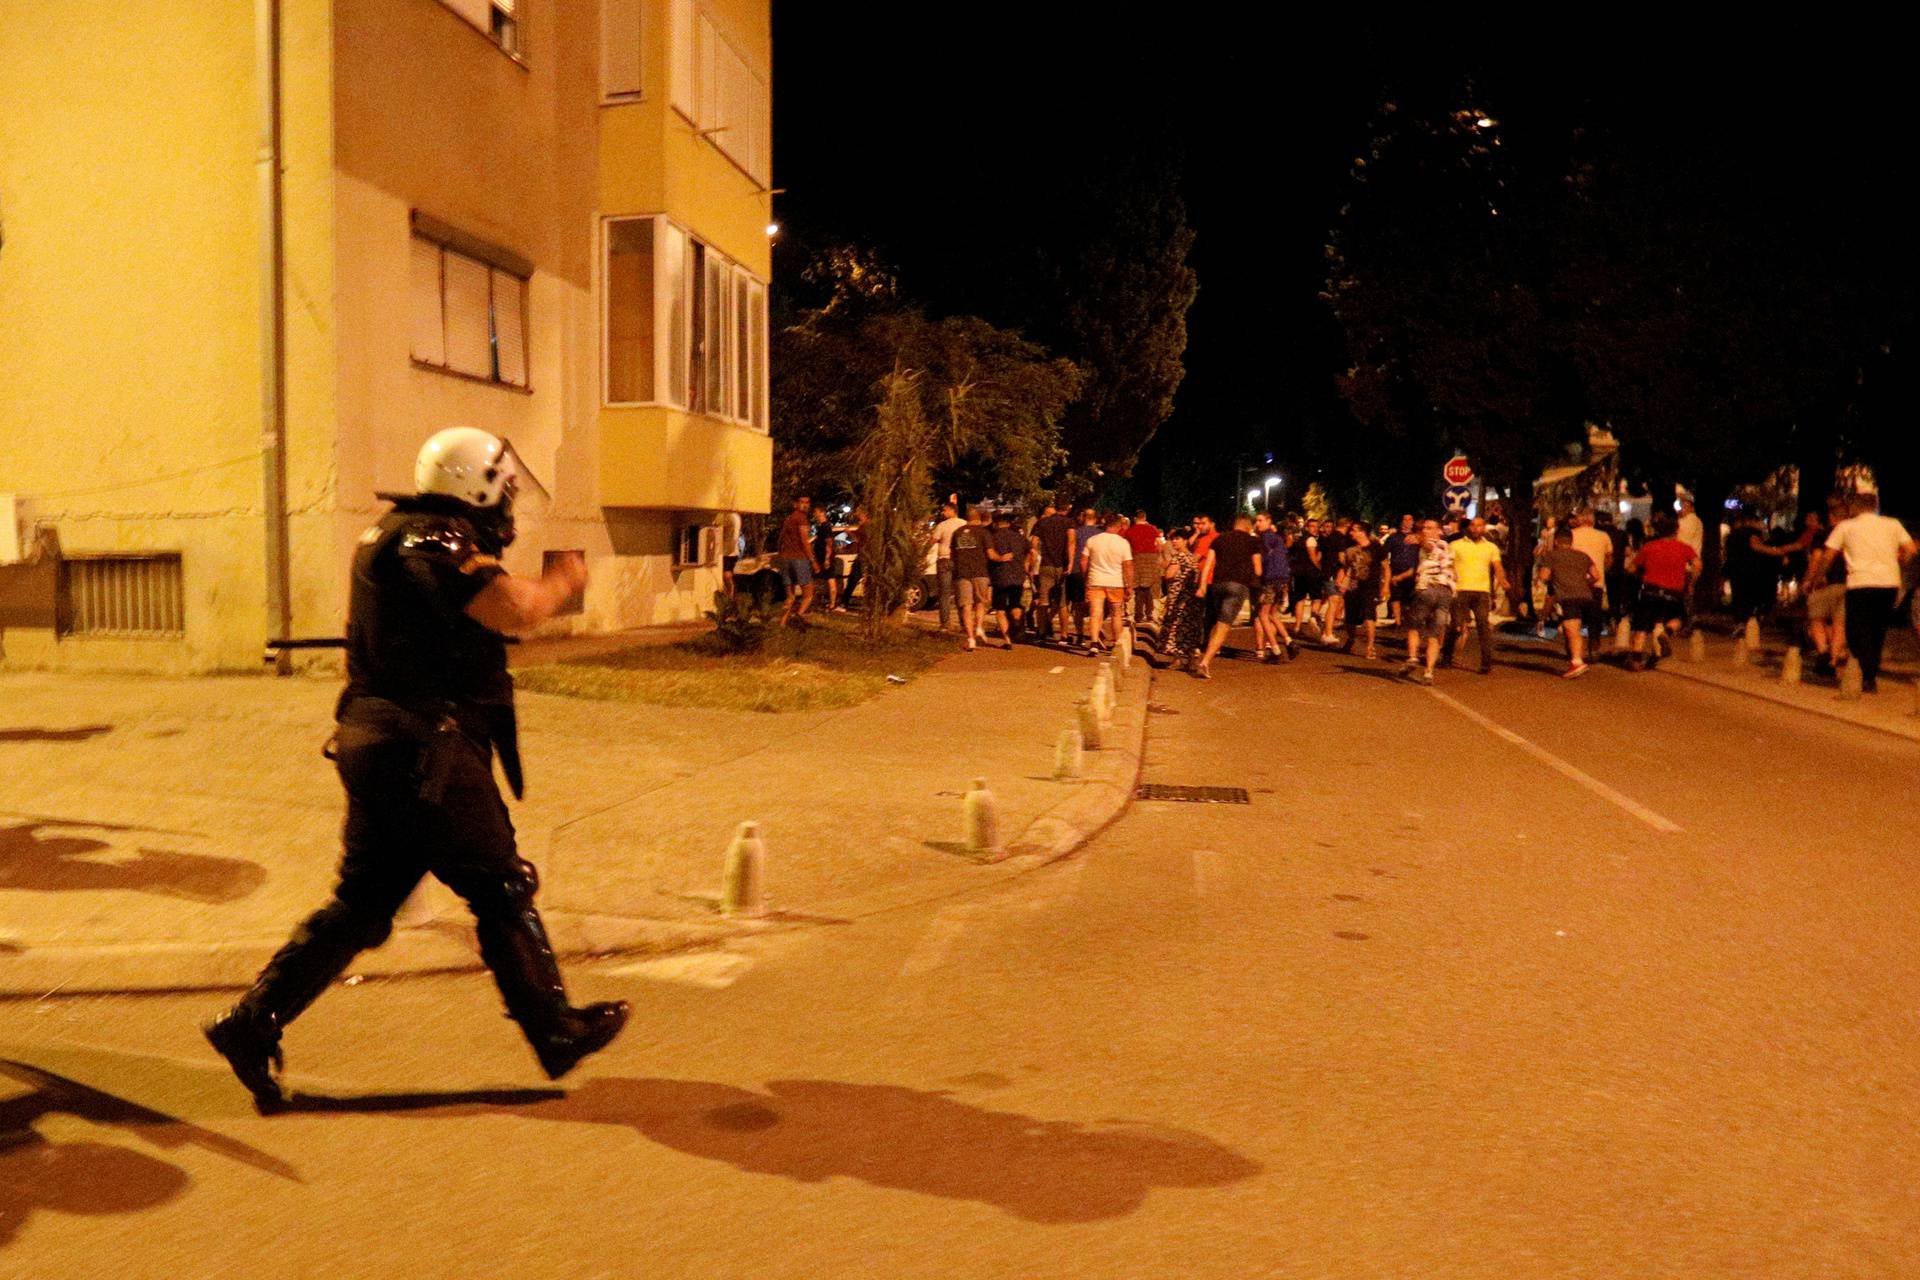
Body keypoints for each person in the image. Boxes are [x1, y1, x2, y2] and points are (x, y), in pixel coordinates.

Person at [202, 428, 627, 1110]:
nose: (509, 502)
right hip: (424, 750)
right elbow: (511, 609)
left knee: (363, 906)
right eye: (504, 488)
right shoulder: (433, 535)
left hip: (384, 744)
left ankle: (252, 1022)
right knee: (500, 886)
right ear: (476, 486)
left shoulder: (394, 532)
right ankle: (556, 1031)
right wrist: (561, 582)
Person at [1810, 490, 1916, 693]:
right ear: (1875, 506)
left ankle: (1861, 670)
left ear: (1854, 507)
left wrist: (1818, 577)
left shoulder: (1845, 526)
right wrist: (1902, 561)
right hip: (1888, 583)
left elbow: (1828, 556)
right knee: (1878, 630)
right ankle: (1870, 677)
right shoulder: (1892, 524)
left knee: (1857, 629)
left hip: (1860, 583)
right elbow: (1911, 549)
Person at [1626, 511, 1698, 670]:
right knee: (1680, 618)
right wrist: (1691, 581)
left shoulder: (1649, 547)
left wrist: (1641, 573)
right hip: (1673, 593)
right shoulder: (1685, 548)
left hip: (1650, 591)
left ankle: (1636, 661)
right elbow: (1698, 565)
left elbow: (1631, 568)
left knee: (1641, 627)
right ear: (1677, 530)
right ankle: (1667, 632)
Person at [1193, 513, 1262, 679]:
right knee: (1224, 625)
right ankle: (1205, 662)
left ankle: (1205, 650)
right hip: (1238, 586)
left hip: (1217, 585)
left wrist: (1202, 586)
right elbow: (1258, 569)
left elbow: (1208, 564)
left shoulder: (1220, 539)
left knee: (1218, 620)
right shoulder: (1253, 542)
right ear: (1248, 527)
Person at [1443, 517, 1507, 674]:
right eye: (1472, 525)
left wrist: (1502, 579)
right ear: (1468, 528)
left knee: (1483, 627)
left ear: (1484, 528)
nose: (1475, 528)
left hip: (1482, 592)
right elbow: (1448, 564)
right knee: (1456, 626)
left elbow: (1497, 565)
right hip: (1460, 590)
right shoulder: (1456, 545)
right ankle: (1446, 656)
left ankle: (1486, 663)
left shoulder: (1491, 547)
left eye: (1479, 526)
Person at [1537, 524, 1602, 678]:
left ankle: (1577, 662)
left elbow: (1544, 576)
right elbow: (1596, 575)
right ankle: (1578, 657)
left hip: (1568, 596)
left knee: (1572, 629)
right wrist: (1585, 584)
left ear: (1557, 542)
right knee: (1572, 627)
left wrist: (1553, 580)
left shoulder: (1551, 556)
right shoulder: (1583, 556)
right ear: (1571, 542)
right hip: (1587, 595)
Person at [1401, 519, 1455, 685]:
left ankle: (1412, 657)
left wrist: (1419, 539)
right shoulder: (1448, 547)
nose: (1425, 530)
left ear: (1439, 531)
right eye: (1424, 528)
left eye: (1430, 528)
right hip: (1445, 592)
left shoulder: (1434, 545)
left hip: (1427, 590)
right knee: (1434, 634)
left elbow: (1429, 547)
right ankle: (1429, 672)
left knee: (1414, 626)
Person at [1079, 513, 1135, 653]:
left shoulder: (1092, 540)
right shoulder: (1123, 543)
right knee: (1116, 613)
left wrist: (1086, 576)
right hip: (1116, 582)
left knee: (1095, 612)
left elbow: (1083, 561)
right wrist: (1129, 585)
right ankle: (1117, 643)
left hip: (1095, 580)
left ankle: (1093, 643)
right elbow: (1128, 566)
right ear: (1118, 526)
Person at [1157, 527, 1208, 664]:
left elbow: (1169, 575)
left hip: (1178, 595)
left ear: (1185, 541)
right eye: (1173, 539)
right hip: (1191, 597)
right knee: (1188, 627)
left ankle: (1178, 659)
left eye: (1177, 539)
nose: (1174, 542)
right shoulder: (1192, 557)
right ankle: (1189, 659)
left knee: (1176, 626)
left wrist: (1164, 570)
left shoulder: (1179, 556)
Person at [1252, 511, 1296, 662]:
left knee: (1262, 614)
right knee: (1273, 614)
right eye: (1256, 521)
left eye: (1260, 520)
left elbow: (1261, 560)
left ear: (1268, 521)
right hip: (1282, 579)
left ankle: (1276, 650)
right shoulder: (1278, 538)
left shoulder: (1264, 538)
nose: (1257, 524)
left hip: (1270, 579)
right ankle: (1289, 641)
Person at [1029, 500, 1075, 643]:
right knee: (1062, 603)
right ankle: (1064, 635)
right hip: (1062, 565)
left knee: (1043, 601)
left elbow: (1034, 544)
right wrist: (1071, 562)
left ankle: (1041, 632)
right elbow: (1071, 541)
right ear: (1067, 509)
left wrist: (1032, 563)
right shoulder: (1069, 523)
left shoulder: (1041, 523)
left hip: (1045, 565)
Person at [949, 506, 993, 652]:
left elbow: (952, 555)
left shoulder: (957, 533)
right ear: (979, 518)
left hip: (962, 572)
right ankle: (979, 627)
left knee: (966, 606)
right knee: (980, 602)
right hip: (980, 572)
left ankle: (970, 638)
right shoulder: (984, 533)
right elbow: (990, 553)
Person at [985, 509, 1029, 647]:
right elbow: (1030, 551)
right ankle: (1016, 620)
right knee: (1015, 603)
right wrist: (1025, 564)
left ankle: (1007, 640)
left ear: (997, 524)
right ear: (1009, 524)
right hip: (1017, 575)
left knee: (1000, 609)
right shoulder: (1019, 537)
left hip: (999, 576)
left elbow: (989, 555)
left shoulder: (992, 538)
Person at [1337, 522, 1380, 659]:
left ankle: (1370, 646)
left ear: (1363, 532)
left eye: (1354, 530)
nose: (1351, 533)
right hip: (1354, 585)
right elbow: (1348, 568)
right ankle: (1351, 639)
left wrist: (1385, 587)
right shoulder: (1350, 550)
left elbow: (1385, 567)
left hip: (1370, 586)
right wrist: (1343, 582)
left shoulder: (1376, 548)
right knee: (1350, 617)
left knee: (1369, 615)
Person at [778, 495, 818, 629]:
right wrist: (813, 561)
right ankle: (797, 617)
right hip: (800, 559)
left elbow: (780, 539)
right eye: (802, 502)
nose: (805, 505)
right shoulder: (802, 519)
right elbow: (805, 541)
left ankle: (782, 623)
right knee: (809, 593)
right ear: (796, 504)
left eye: (807, 502)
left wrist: (781, 555)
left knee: (790, 596)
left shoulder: (788, 519)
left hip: (785, 559)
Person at [931, 501, 967, 633]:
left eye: (945, 510)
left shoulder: (942, 525)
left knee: (944, 594)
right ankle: (964, 622)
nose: (943, 513)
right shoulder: (964, 524)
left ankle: (945, 624)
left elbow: (932, 541)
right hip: (959, 560)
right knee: (961, 593)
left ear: (953, 511)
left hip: (944, 560)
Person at [1124, 511, 1164, 625]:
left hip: (1136, 558)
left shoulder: (1130, 531)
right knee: (1148, 587)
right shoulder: (1153, 529)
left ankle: (1139, 614)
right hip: (1151, 558)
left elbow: (1127, 545)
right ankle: (1149, 612)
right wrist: (1158, 556)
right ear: (1145, 517)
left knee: (1138, 588)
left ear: (1135, 518)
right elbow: (1159, 544)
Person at [1383, 513, 1420, 630]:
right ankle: (1398, 622)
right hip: (1396, 569)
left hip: (1412, 571)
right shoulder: (1393, 537)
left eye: (1410, 519)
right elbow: (1384, 553)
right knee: (1396, 597)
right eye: (1405, 519)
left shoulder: (1417, 538)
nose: (1407, 522)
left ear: (1413, 522)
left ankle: (1406, 621)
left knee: (1409, 598)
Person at [811, 504, 841, 612]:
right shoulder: (822, 527)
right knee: (820, 580)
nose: (814, 514)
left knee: (830, 580)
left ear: (822, 513)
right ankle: (822, 601)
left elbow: (829, 542)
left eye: (816, 512)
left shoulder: (826, 527)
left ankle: (832, 604)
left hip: (825, 559)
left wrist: (827, 558)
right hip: (821, 558)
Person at [841, 506, 869, 613]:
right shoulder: (866, 526)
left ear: (864, 514)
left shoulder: (865, 527)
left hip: (862, 558)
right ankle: (867, 605)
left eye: (859, 513)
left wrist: (848, 532)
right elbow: (857, 541)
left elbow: (856, 539)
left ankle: (844, 604)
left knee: (852, 580)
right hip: (865, 557)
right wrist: (846, 546)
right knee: (864, 582)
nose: (857, 515)